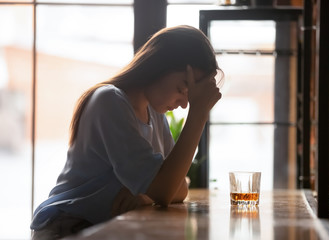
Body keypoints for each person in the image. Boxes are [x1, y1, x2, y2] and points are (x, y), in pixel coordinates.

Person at [30, 25, 222, 239]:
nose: (185, 104)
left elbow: (178, 187)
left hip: (106, 226)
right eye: (182, 89)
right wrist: (199, 114)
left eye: (190, 97)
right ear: (158, 66)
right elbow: (165, 190)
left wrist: (147, 195)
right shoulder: (110, 100)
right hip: (67, 227)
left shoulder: (155, 114)